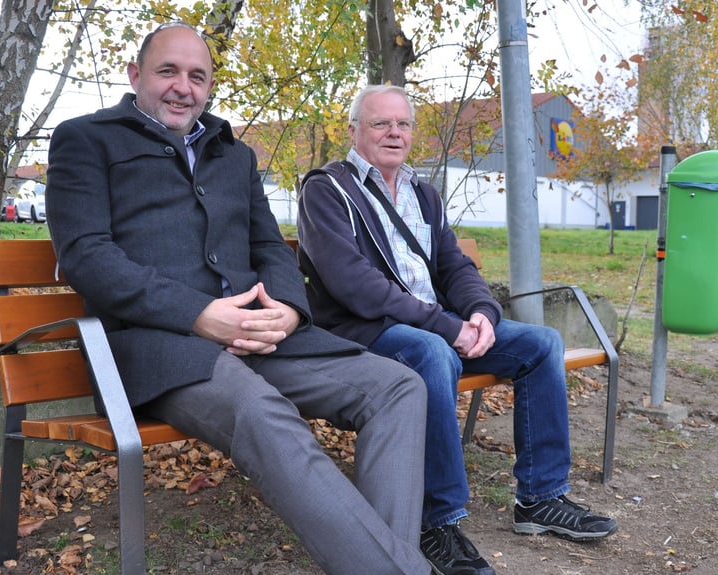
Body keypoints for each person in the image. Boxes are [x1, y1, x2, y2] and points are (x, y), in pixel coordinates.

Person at [45, 24, 435, 575]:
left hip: (260, 339)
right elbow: (87, 256)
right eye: (168, 72)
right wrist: (197, 316)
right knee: (261, 411)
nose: (183, 87)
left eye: (197, 76)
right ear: (136, 76)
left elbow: (270, 248)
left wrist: (289, 308)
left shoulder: (234, 153)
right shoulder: (86, 138)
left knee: (398, 386)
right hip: (158, 350)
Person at [296, 85, 618, 575]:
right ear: (354, 129)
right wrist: (448, 327)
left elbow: (455, 267)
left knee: (541, 343)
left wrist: (482, 313)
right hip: (366, 332)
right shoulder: (327, 189)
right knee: (432, 353)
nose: (394, 133)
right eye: (381, 123)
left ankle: (541, 498)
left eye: (402, 124)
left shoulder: (422, 193)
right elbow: (354, 286)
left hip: (435, 326)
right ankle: (436, 522)